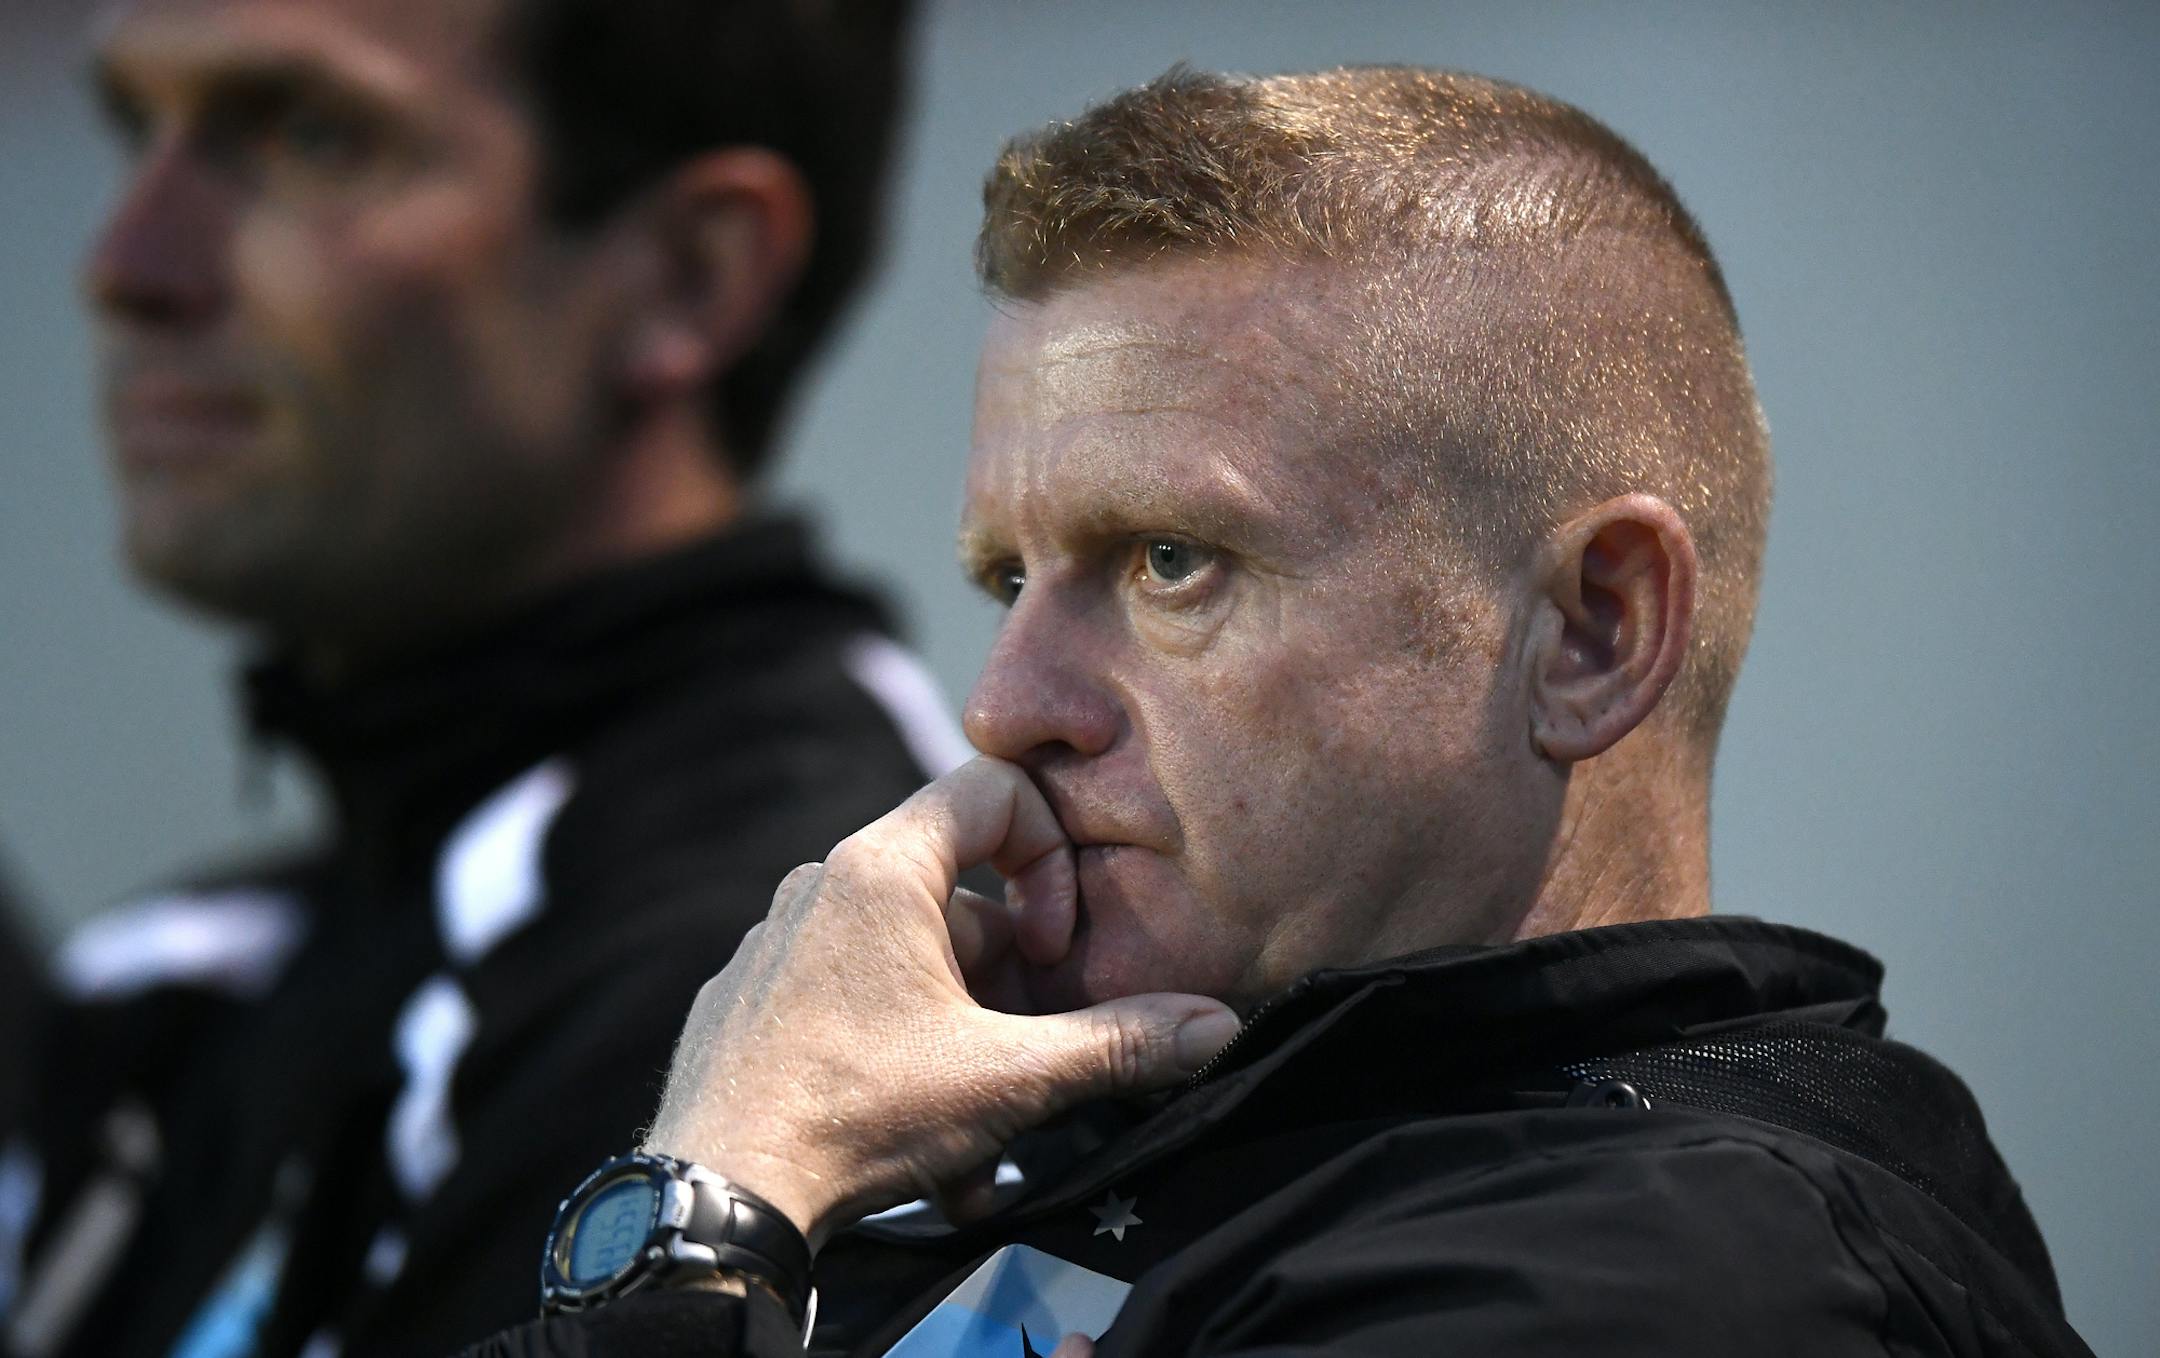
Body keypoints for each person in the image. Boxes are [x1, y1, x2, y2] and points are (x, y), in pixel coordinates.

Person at [463, 66, 2095, 1357]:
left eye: (1173, 560)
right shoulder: (1110, 1153)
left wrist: (710, 1212)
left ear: (1594, 632)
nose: (1004, 703)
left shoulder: (1662, 1275)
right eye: (1006, 578)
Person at [1, 0, 958, 1354]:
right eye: (135, 129)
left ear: (692, 271)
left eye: (307, 134)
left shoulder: (763, 944)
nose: (127, 262)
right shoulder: (184, 970)